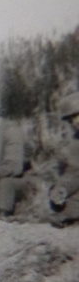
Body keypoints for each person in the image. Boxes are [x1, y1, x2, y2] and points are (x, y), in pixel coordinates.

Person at [47, 92, 79, 227]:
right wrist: (63, 189)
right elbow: (74, 173)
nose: (76, 124)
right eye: (72, 121)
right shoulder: (76, 145)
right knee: (61, 208)